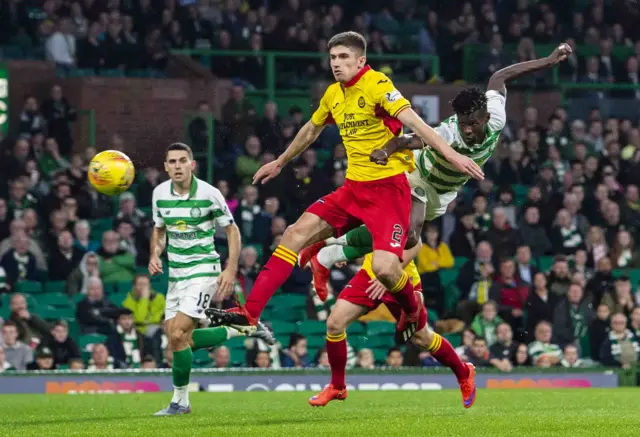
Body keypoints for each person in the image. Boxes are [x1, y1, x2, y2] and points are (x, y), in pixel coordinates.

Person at [206, 31, 484, 344]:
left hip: (389, 192)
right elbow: (311, 129)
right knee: (293, 234)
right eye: (333, 58)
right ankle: (249, 316)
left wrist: (452, 154)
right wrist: (281, 161)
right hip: (353, 190)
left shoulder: (378, 85)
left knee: (384, 268)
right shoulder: (333, 94)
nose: (336, 64)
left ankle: (412, 309)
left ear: (360, 60)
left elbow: (416, 124)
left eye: (343, 58)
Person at [302, 42, 573, 298]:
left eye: (472, 124)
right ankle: (328, 243)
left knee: (404, 239)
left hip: (442, 193)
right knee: (410, 234)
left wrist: (547, 62)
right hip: (417, 175)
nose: (466, 129)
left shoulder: (497, 116)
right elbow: (408, 139)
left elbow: (500, 76)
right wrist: (386, 150)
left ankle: (329, 252)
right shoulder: (450, 132)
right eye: (463, 123)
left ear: (485, 117)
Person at [150, 143, 273, 416]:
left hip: (204, 270)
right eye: (172, 161)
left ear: (192, 164)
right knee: (178, 340)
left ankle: (180, 402)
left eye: (183, 160)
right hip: (176, 274)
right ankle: (239, 328)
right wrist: (154, 254)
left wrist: (229, 270)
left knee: (179, 333)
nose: (178, 166)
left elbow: (232, 231)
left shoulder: (209, 194)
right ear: (166, 166)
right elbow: (159, 230)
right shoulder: (159, 194)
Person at [308, 242, 476, 409]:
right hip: (369, 276)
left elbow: (416, 245)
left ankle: (463, 373)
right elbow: (365, 234)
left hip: (400, 278)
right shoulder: (369, 213)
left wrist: (387, 273)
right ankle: (338, 386)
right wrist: (345, 252)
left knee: (422, 338)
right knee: (334, 324)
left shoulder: (408, 214)